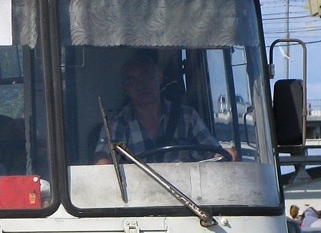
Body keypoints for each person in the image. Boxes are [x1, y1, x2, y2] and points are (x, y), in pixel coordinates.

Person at [95, 49, 234, 163]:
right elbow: (103, 163)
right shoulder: (117, 124)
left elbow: (214, 153)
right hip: (137, 196)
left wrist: (225, 155)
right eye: (131, 80)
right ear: (125, 87)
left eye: (147, 76)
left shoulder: (187, 117)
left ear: (160, 77)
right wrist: (103, 163)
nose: (141, 85)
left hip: (185, 195)